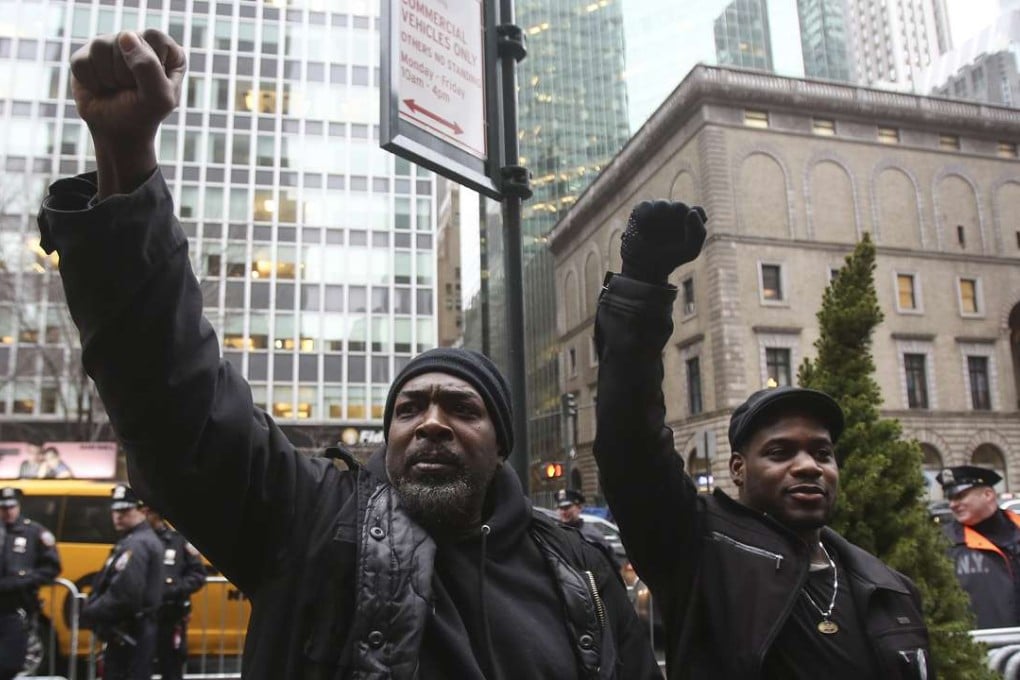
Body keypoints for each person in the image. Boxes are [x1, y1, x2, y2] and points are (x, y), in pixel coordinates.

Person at [37, 30, 660, 679]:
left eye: (461, 408)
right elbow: (176, 397)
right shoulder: (311, 521)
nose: (431, 422)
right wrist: (125, 155)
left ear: (501, 443)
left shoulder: (579, 570)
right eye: (409, 409)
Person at [592, 199, 934, 679]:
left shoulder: (889, 589)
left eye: (822, 452)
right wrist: (642, 284)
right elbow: (629, 442)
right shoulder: (696, 550)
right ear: (738, 468)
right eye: (779, 452)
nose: (809, 465)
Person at [81, 485, 163, 680]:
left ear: (142, 511)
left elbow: (125, 593)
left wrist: (92, 610)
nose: (118, 516)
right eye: (115, 511)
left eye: (125, 510)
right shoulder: (134, 539)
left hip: (130, 630)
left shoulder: (138, 543)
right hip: (130, 630)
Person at [936, 464, 1020, 629]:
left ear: (988, 494)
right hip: (988, 643)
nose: (952, 504)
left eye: (960, 496)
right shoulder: (944, 544)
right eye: (950, 498)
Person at [0, 487, 61, 680]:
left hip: (18, 606)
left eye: (11, 507)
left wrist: (24, 580)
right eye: (3, 508)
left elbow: (51, 568)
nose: (7, 512)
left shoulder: (33, 532)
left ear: (18, 507)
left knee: (10, 663)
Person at [145, 509, 206, 680]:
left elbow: (198, 575)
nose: (143, 515)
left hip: (170, 617)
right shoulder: (137, 540)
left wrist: (173, 589)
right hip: (143, 617)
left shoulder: (178, 541)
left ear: (155, 514)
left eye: (146, 511)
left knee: (171, 667)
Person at [555, 488, 622, 572]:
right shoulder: (554, 533)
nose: (563, 512)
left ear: (579, 508)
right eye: (560, 508)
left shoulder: (592, 534)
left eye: (567, 507)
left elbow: (612, 563)